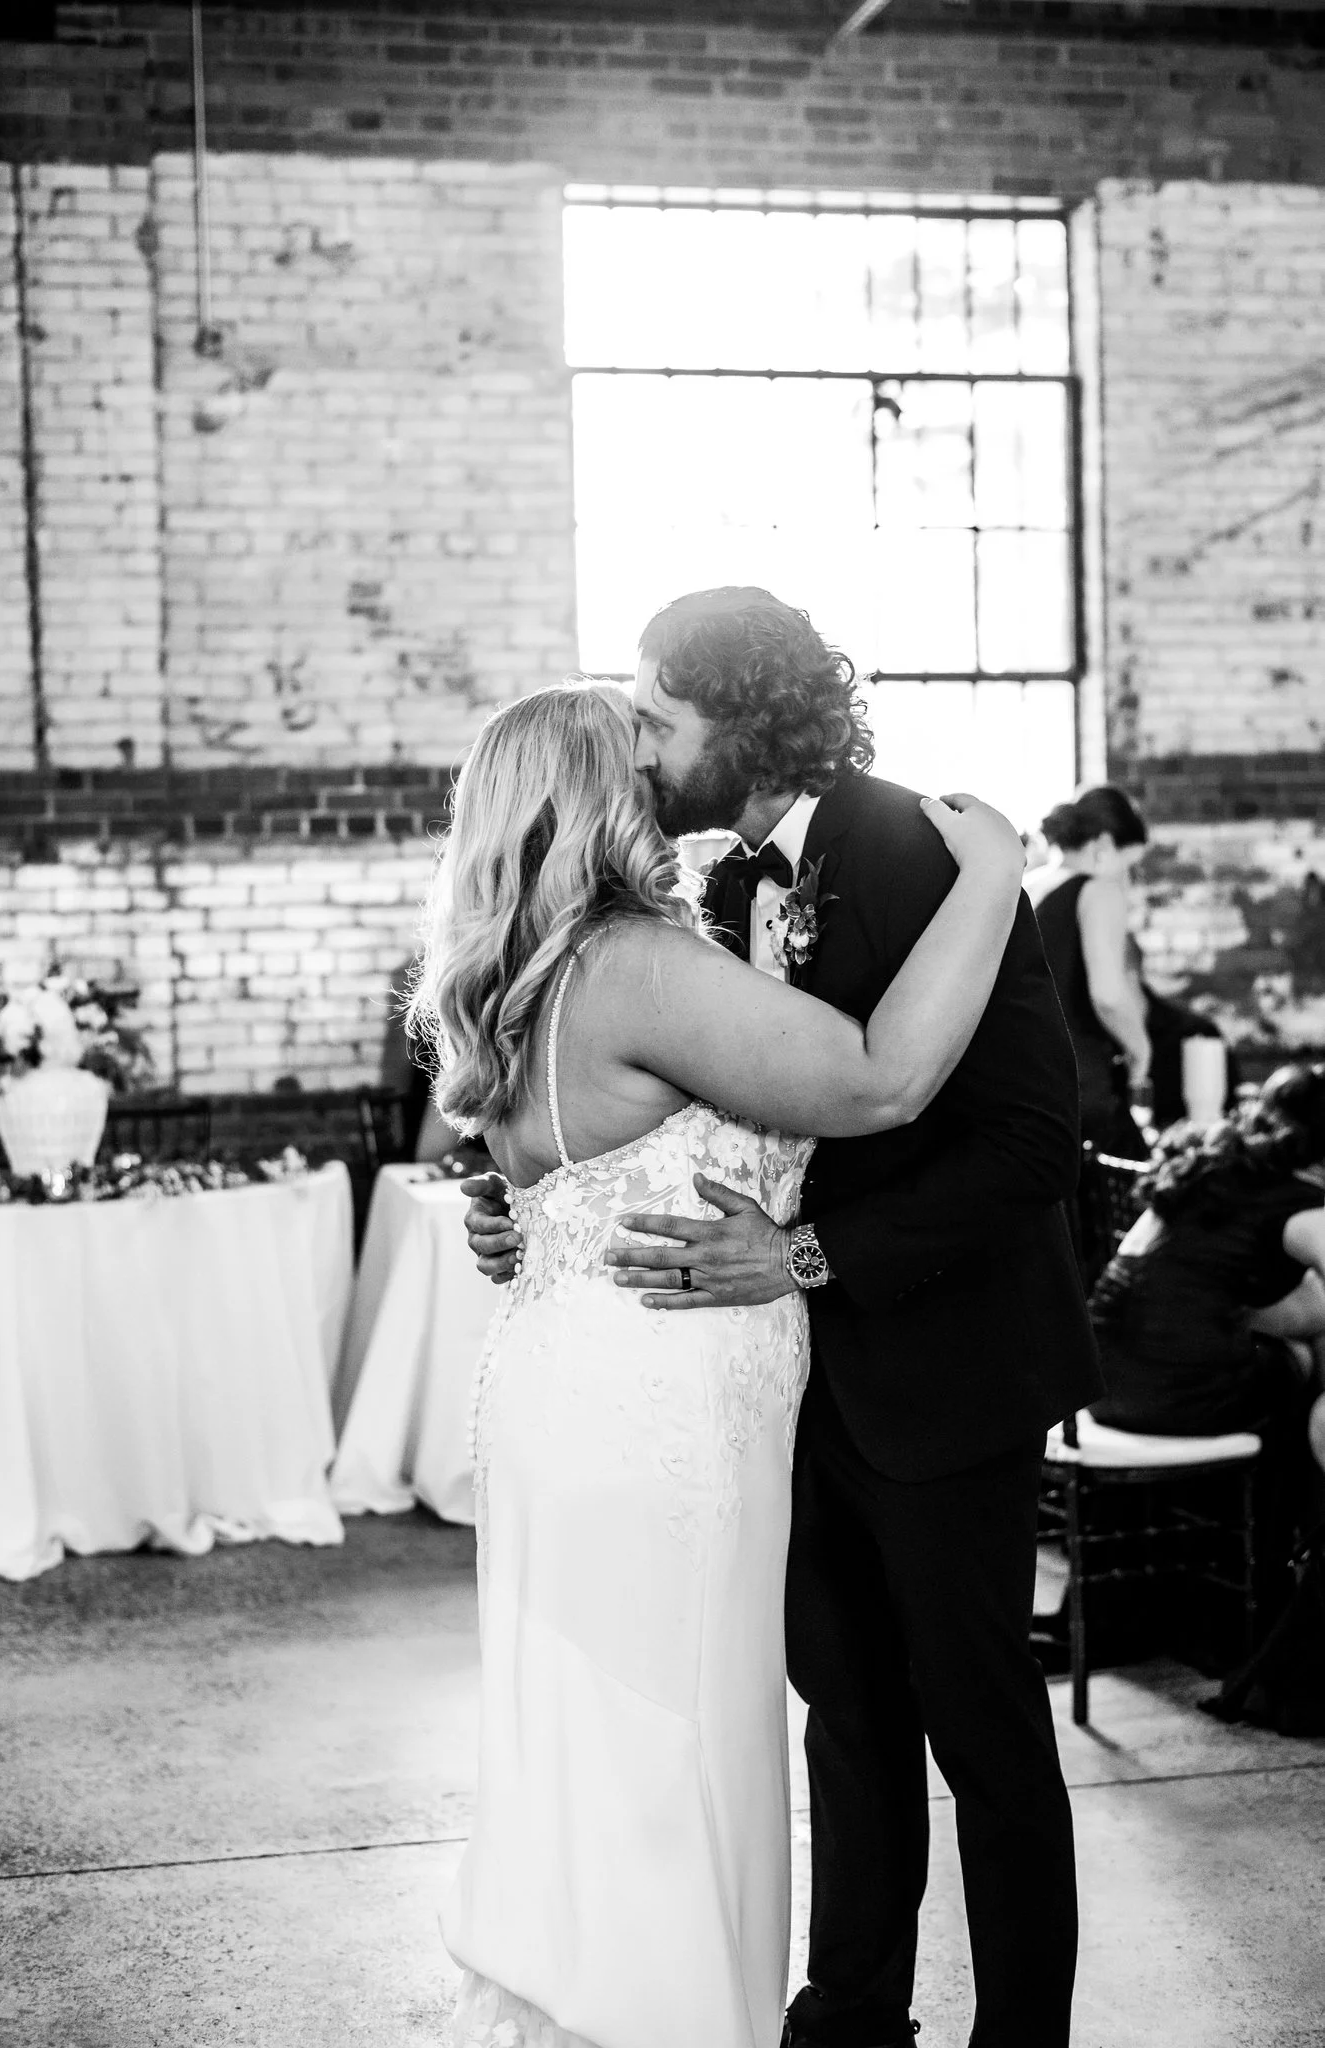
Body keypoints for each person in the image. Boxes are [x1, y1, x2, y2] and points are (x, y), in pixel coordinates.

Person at [462, 588, 1103, 2048]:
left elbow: (1026, 1149)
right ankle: (851, 2015)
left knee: (983, 1735)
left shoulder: (921, 856)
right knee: (847, 1717)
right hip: (778, 1391)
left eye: (659, 717)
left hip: (943, 1368)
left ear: (741, 720)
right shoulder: (717, 884)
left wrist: (808, 1259)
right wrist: (549, 1209)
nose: (639, 746)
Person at [1089, 1061, 1325, 1608]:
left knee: (1286, 1347)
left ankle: (1231, 1569)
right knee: (1297, 1373)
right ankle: (1275, 1578)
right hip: (1176, 1395)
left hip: (1100, 1385)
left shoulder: (1216, 1166)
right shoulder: (1299, 1201)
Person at [1026, 785, 1151, 1159]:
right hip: (1078, 1085)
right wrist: (1141, 1050)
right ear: (1104, 846)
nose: (1128, 881)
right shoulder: (1097, 892)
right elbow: (1108, 996)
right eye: (1130, 866)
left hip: (1025, 1083)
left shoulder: (1026, 886)